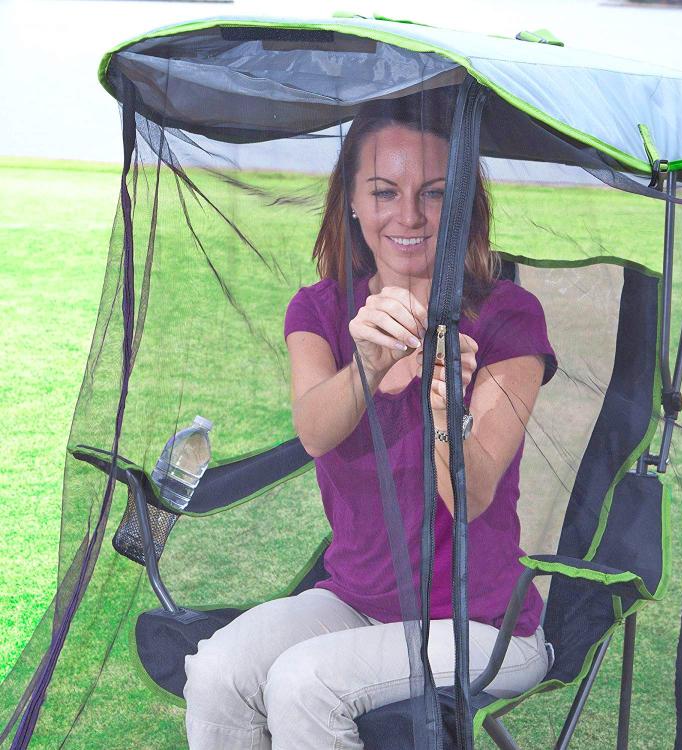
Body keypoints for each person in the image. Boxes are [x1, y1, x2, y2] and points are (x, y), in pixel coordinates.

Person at [183, 89, 557, 750]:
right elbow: (316, 431)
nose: (408, 215)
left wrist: (447, 412)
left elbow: (468, 501)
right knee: (217, 670)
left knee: (304, 681)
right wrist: (368, 364)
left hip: (485, 626)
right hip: (355, 604)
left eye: (436, 193)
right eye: (384, 191)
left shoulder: (507, 318)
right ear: (351, 203)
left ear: (464, 202)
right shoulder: (320, 310)